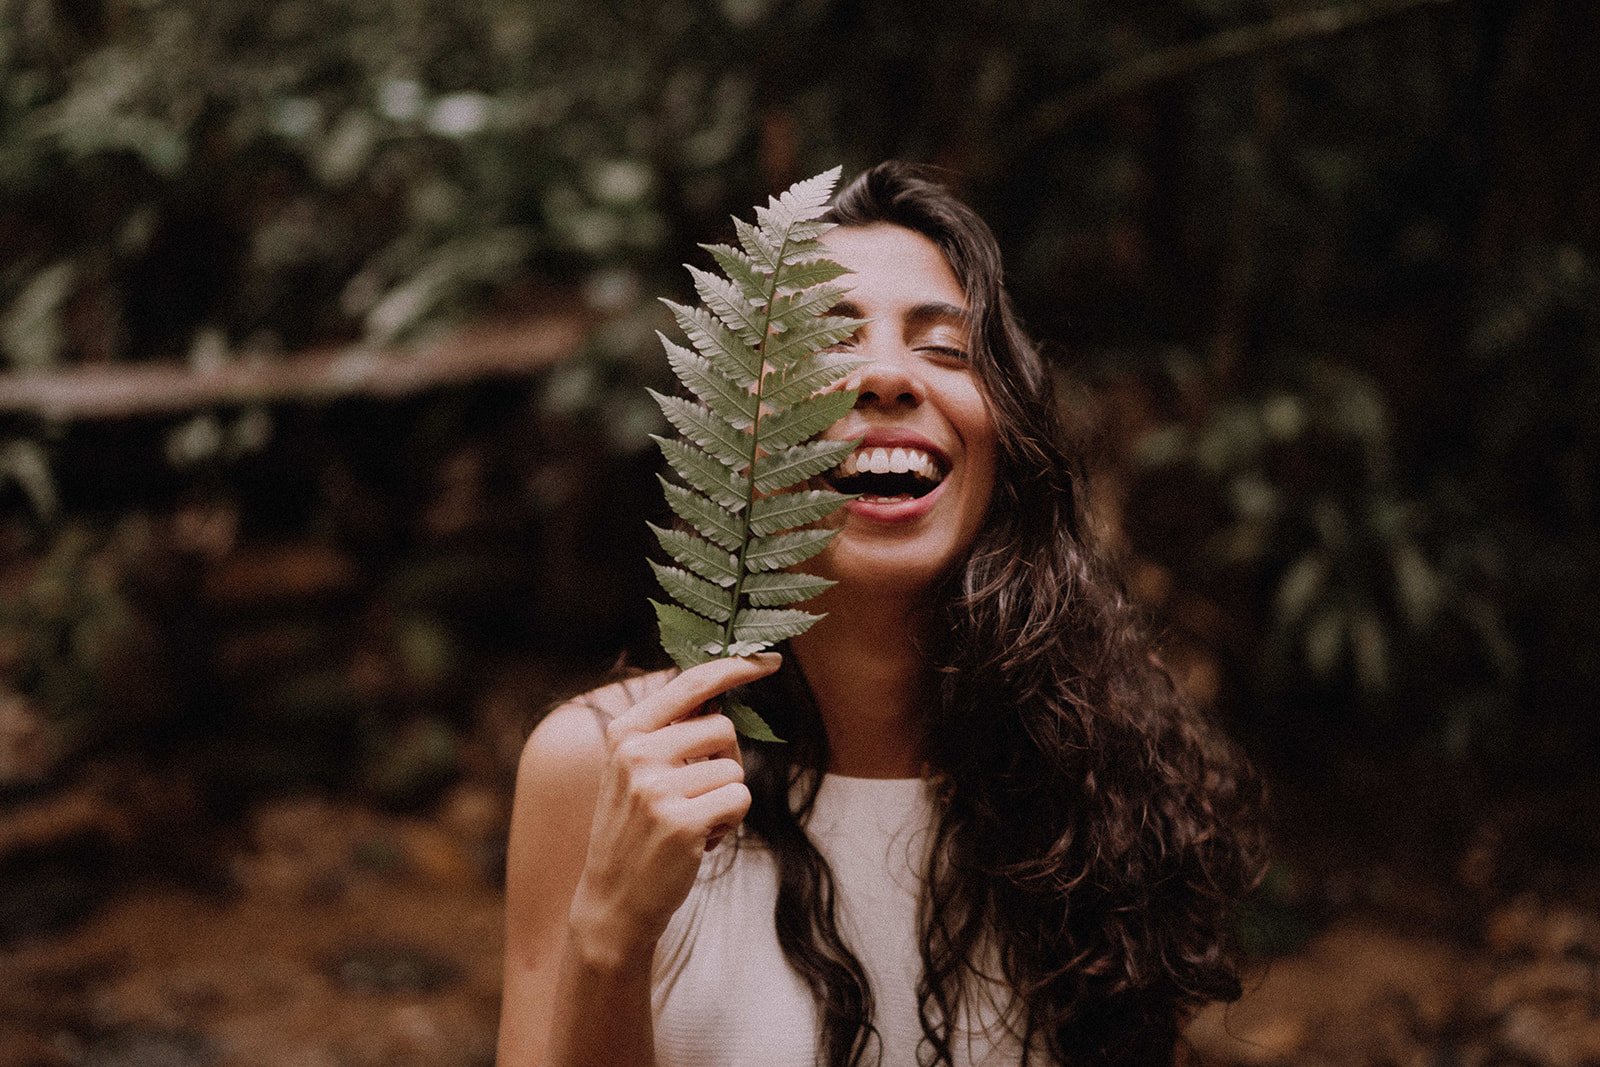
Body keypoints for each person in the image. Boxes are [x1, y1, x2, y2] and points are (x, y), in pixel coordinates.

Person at [498, 162, 1265, 1067]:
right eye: (827, 346)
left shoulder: (1099, 773)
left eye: (945, 348)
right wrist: (610, 936)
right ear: (740, 448)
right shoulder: (596, 769)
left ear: (1008, 434)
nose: (887, 376)